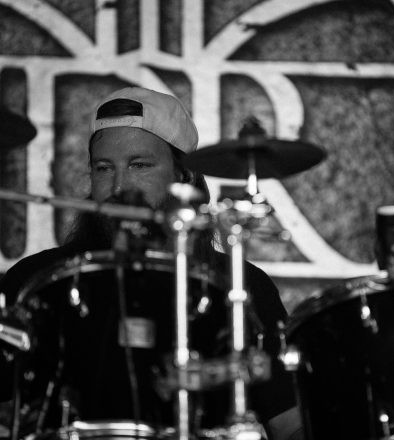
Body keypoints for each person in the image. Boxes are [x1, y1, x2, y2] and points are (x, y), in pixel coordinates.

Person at [0, 87, 301, 439]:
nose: (119, 186)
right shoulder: (36, 279)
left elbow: (290, 425)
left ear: (184, 176)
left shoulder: (239, 284)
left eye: (139, 165)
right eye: (103, 168)